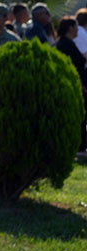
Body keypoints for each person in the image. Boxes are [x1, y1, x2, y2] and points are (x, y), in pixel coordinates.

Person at [56, 16, 87, 156]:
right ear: (70, 28)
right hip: (74, 83)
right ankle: (80, 147)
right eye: (75, 27)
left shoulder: (65, 43)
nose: (77, 31)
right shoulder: (66, 44)